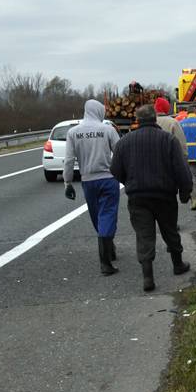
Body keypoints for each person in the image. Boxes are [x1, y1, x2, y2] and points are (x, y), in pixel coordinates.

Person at [110, 105, 194, 292]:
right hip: (164, 195)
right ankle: (178, 264)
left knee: (144, 235)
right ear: (155, 118)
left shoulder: (124, 142)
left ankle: (148, 277)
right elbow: (181, 169)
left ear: (137, 120)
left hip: (138, 197)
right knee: (170, 231)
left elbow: (115, 171)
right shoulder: (168, 140)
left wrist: (130, 182)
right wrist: (185, 191)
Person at [63, 99, 122, 275]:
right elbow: (119, 153)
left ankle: (108, 247)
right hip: (108, 178)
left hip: (88, 180)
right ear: (99, 111)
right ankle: (105, 260)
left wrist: (67, 183)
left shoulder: (73, 132)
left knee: (97, 217)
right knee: (108, 214)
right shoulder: (108, 130)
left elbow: (68, 160)